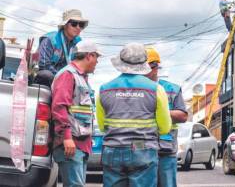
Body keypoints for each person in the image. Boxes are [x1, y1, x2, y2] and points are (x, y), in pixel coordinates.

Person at [96, 43, 171, 187]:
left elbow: (102, 126)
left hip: (113, 150)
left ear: (121, 62)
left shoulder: (104, 89)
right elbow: (165, 128)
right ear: (144, 63)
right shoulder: (156, 89)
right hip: (143, 150)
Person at [51, 40, 102, 187]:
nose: (97, 62)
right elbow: (59, 108)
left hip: (79, 144)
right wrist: (66, 138)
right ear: (89, 56)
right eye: (96, 58)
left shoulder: (80, 77)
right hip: (71, 143)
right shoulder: (68, 75)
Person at [146, 47, 188, 187]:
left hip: (166, 148)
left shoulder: (171, 89)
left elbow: (182, 116)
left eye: (148, 68)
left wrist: (160, 112)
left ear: (156, 67)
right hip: (142, 148)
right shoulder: (138, 88)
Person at [35, 9, 88, 86]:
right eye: (74, 24)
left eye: (81, 25)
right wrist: (63, 76)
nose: (78, 27)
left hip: (69, 78)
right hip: (52, 78)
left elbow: (81, 65)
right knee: (45, 74)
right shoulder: (49, 39)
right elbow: (44, 65)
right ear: (65, 25)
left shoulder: (79, 43)